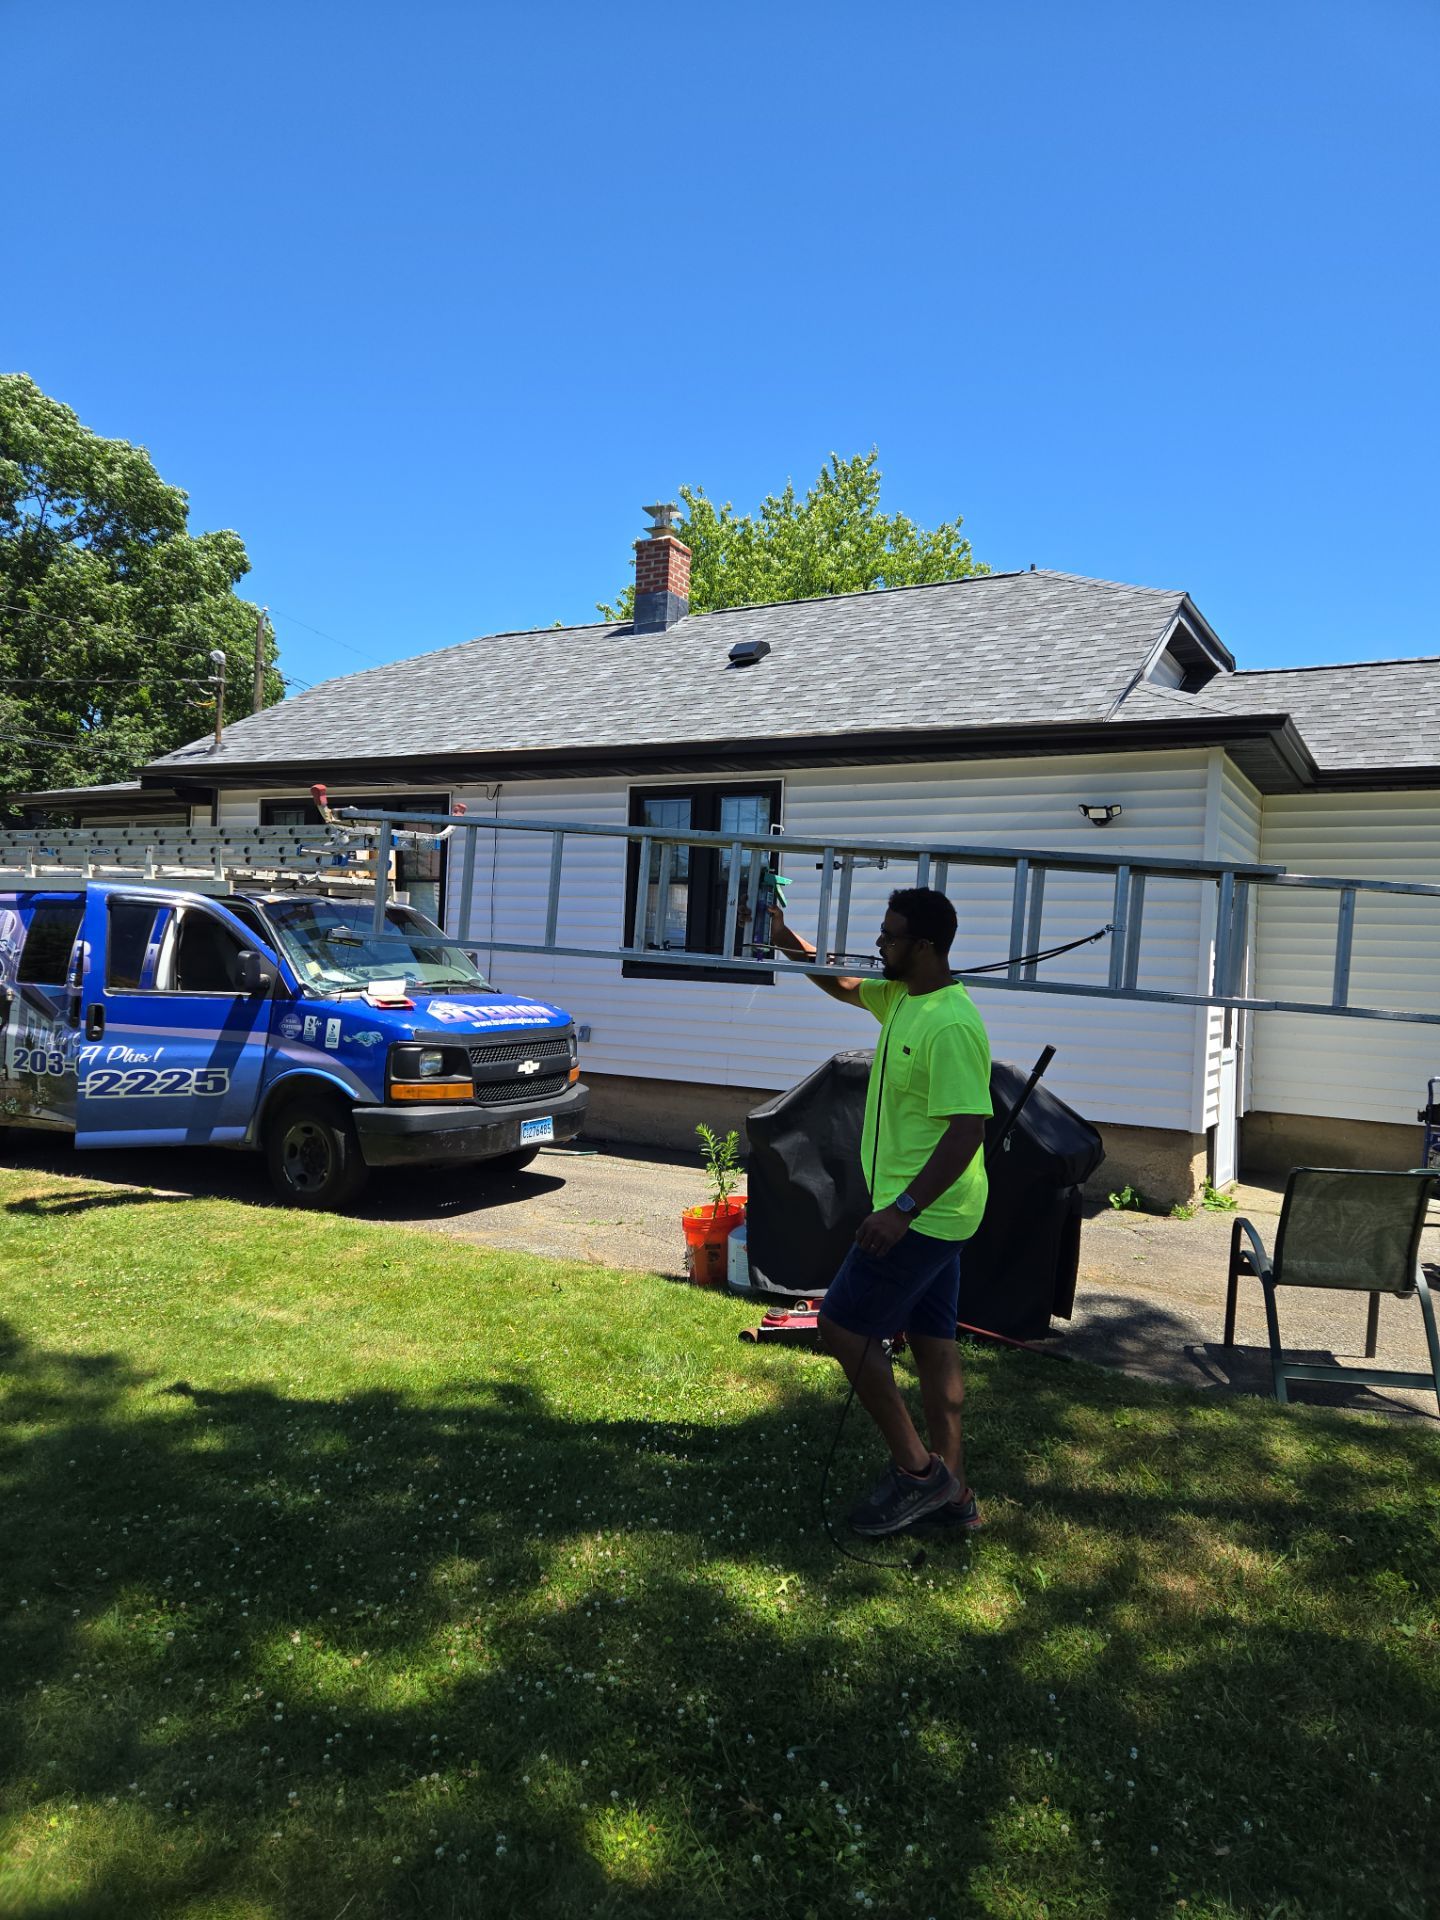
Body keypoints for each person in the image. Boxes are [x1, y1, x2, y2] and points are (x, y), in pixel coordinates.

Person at [770, 887, 991, 1537]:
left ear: (923, 947)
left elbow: (965, 1132)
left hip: (926, 1215)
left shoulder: (951, 1023)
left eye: (890, 936)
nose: (879, 945)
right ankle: (956, 1498)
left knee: (842, 1328)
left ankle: (918, 1475)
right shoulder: (901, 997)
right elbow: (841, 984)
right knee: (933, 1346)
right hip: (937, 1213)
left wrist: (900, 1210)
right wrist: (787, 939)